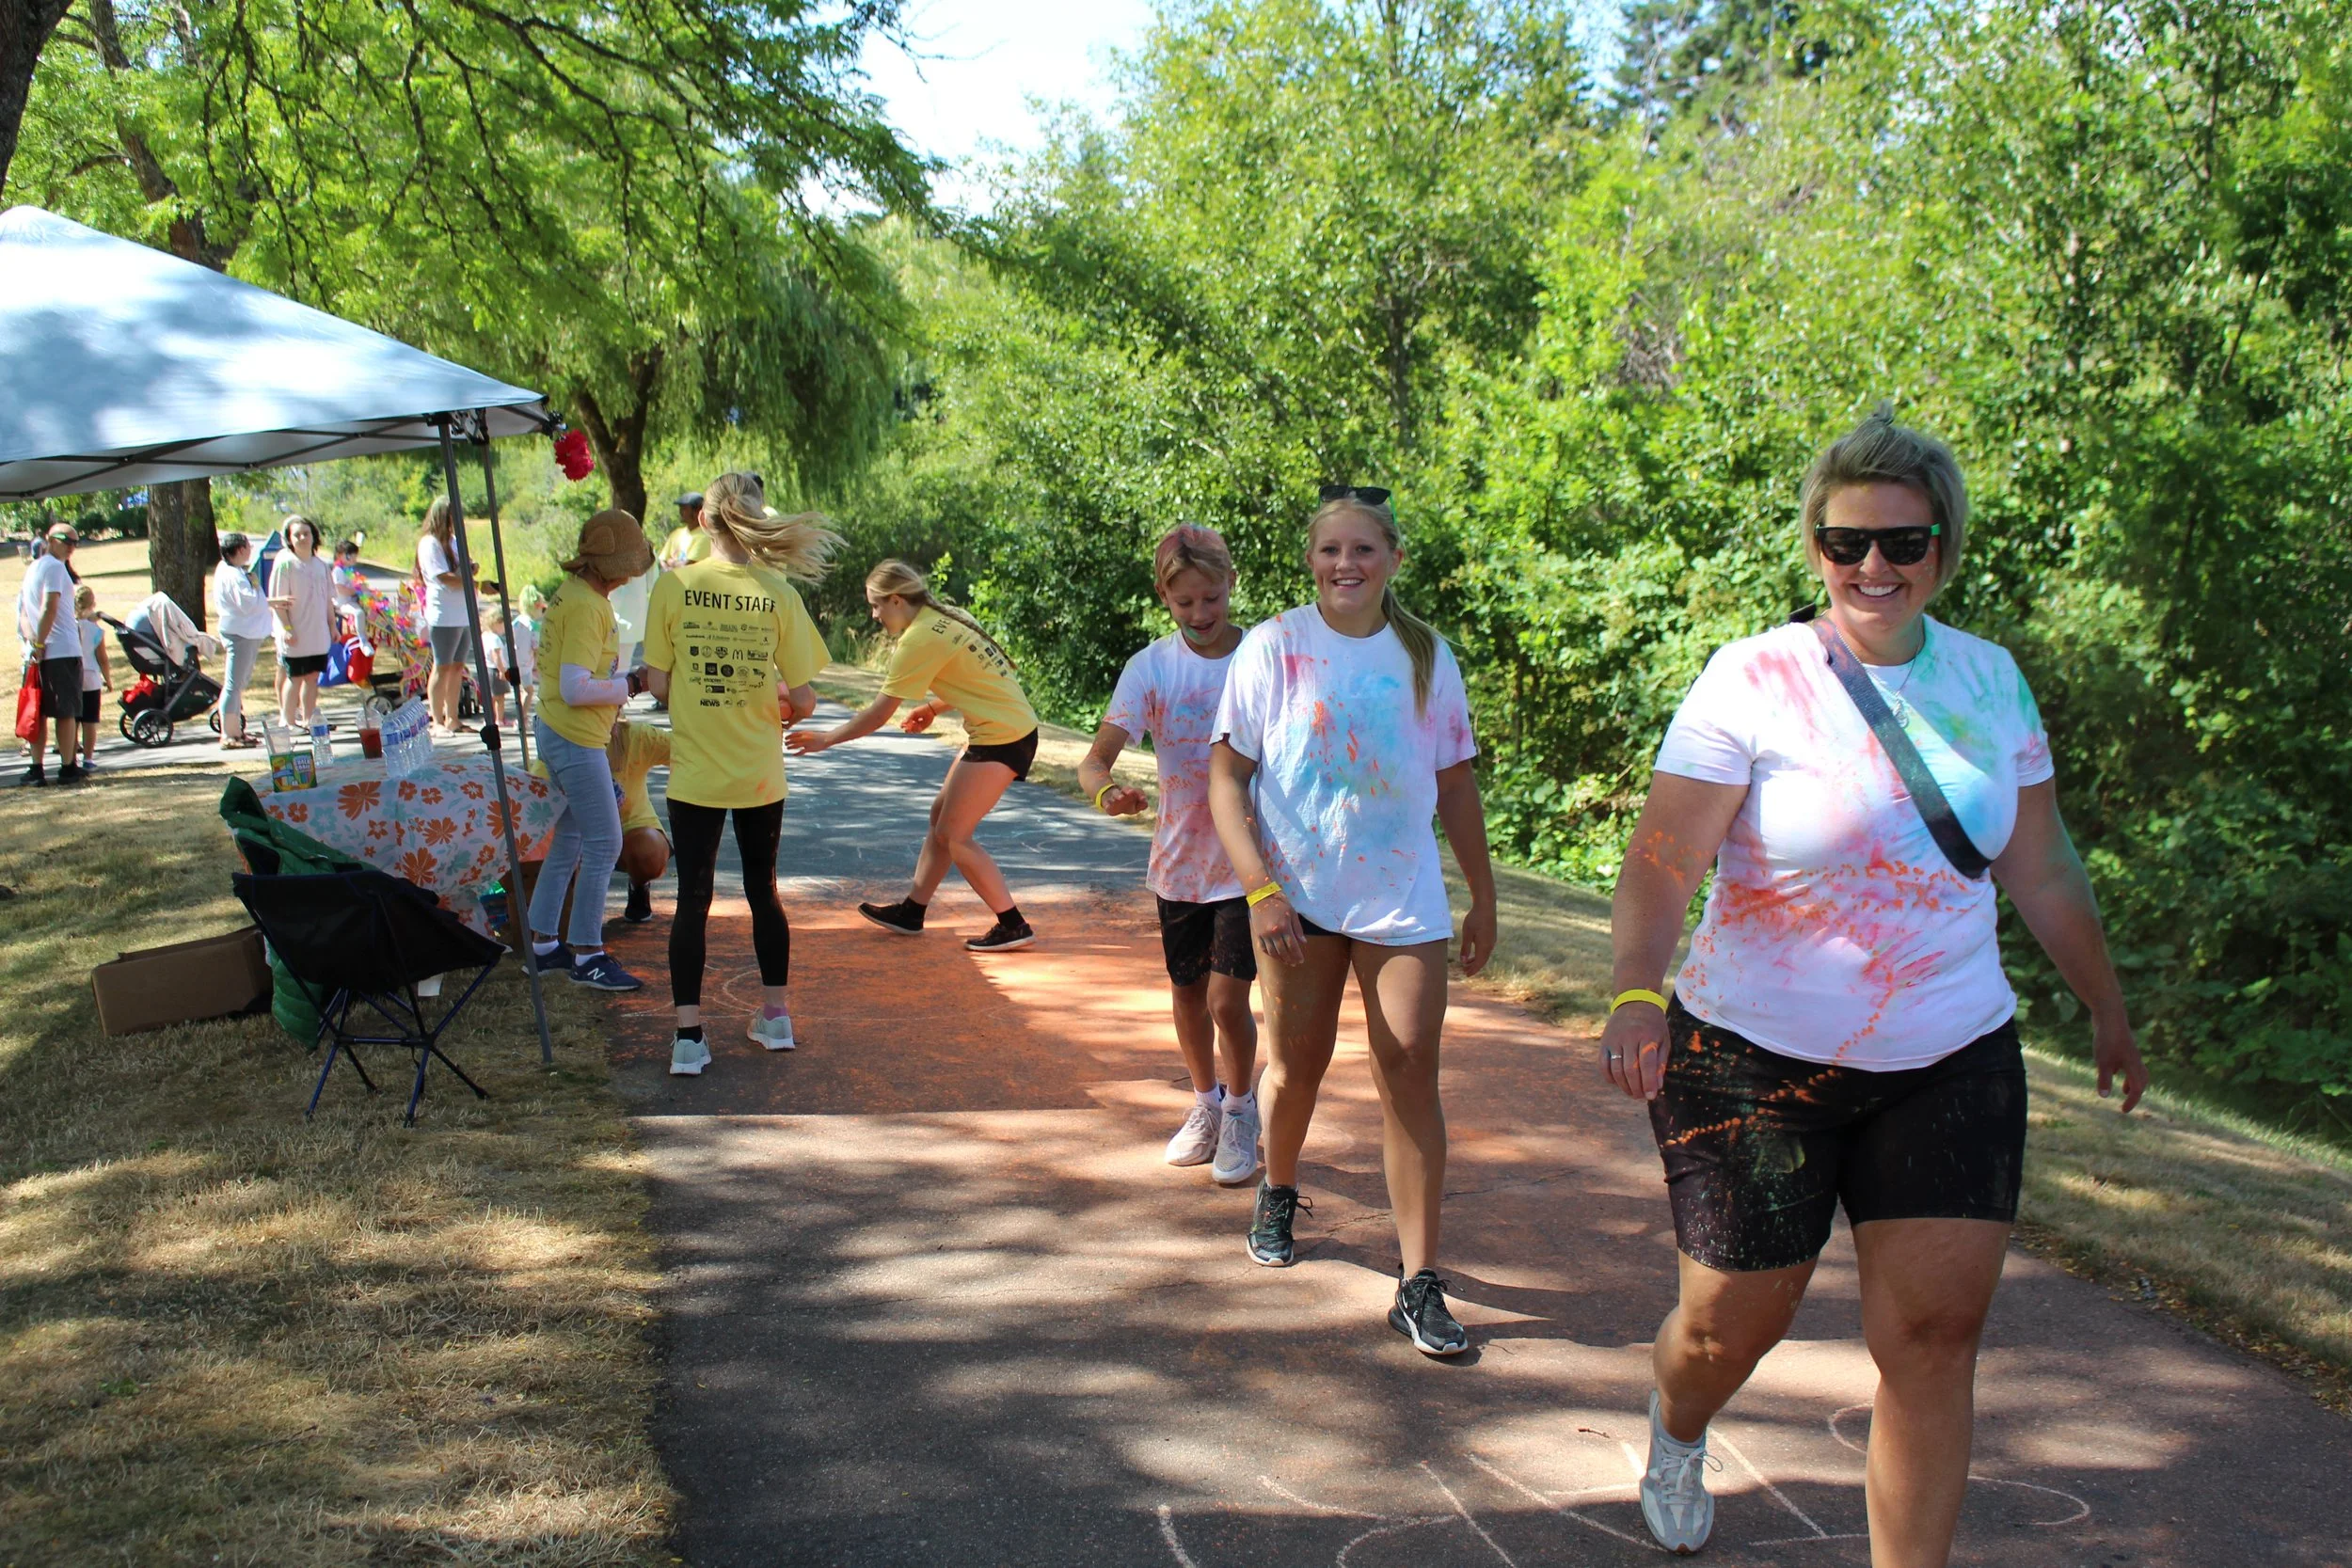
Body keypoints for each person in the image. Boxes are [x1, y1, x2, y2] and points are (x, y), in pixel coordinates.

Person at [1600, 408, 2150, 1560]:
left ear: (1944, 549)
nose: (1874, 567)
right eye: (1847, 542)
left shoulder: (1991, 683)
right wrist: (1635, 990)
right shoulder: (1750, 677)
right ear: (1814, 547)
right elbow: (1661, 859)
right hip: (1750, 1055)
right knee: (1726, 1327)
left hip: (1951, 1054)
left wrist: (2105, 1005)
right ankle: (1678, 1417)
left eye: (1903, 543)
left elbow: (2040, 864)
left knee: (1935, 1338)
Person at [1207, 485, 1497, 1358]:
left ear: (1393, 559)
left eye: (1363, 550)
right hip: (1296, 896)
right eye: (1331, 549)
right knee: (1297, 1066)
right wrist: (1260, 890)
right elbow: (1226, 780)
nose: (1346, 565)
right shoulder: (1272, 648)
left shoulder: (1426, 656)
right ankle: (1280, 1187)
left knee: (1410, 1066)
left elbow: (1455, 783)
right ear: (1311, 558)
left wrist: (1483, 892)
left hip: (1401, 896)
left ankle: (1418, 1280)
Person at [1077, 525, 1263, 1185]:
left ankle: (1243, 1110)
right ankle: (1205, 1103)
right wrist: (1107, 794)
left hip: (1250, 862)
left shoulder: (1264, 656)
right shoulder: (1150, 667)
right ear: (1163, 596)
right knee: (1186, 995)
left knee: (1225, 998)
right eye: (1185, 603)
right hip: (1178, 863)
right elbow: (1093, 760)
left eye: (1212, 598)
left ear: (1230, 584)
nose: (1202, 614)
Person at [645, 473, 832, 1075]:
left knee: (693, 900)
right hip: (758, 772)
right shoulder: (778, 592)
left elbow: (657, 684)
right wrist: (772, 696)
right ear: (756, 518)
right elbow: (804, 700)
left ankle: (688, 1040)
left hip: (695, 771)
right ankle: (775, 1019)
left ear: (704, 520)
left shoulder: (673, 587)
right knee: (763, 892)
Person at [787, 559, 1041, 954]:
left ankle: (1012, 923)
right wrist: (935, 709)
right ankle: (912, 910)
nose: (873, 615)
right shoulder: (947, 615)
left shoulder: (919, 638)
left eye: (876, 605)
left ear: (896, 599)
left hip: (1003, 737)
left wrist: (826, 739)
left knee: (954, 836)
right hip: (1006, 729)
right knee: (940, 818)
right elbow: (977, 677)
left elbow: (878, 713)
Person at [526, 511, 655, 992]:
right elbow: (577, 687)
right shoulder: (588, 607)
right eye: (626, 564)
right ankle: (587, 953)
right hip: (576, 734)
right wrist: (632, 684)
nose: (630, 574)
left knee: (573, 838)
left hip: (561, 729)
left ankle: (543, 946)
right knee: (605, 842)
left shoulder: (574, 596)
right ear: (608, 566)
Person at [17, 523, 85, 785]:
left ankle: (37, 767)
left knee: (39, 709)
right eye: (67, 541)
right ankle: (67, 766)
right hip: (61, 648)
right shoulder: (56, 568)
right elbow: (49, 607)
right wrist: (41, 643)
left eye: (75, 543)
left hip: (39, 650)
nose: (71, 547)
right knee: (65, 711)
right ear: (50, 539)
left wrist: (33, 644)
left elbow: (23, 612)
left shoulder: (33, 568)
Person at [266, 515, 335, 730]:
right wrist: (287, 629)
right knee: (294, 678)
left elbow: (328, 601)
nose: (303, 538)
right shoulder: (285, 564)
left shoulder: (321, 566)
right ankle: (288, 720)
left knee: (312, 678)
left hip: (317, 633)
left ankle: (308, 719)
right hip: (295, 633)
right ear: (289, 539)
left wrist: (332, 626)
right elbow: (277, 602)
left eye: (306, 534)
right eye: (297, 535)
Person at [417, 499, 476, 736]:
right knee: (442, 666)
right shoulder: (429, 543)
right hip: (443, 613)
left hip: (464, 611)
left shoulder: (454, 541)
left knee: (458, 666)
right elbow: (443, 576)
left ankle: (453, 718)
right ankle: (437, 721)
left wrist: (471, 570)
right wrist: (468, 577)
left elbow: (466, 568)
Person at [608, 717, 674, 926]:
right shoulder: (561, 737)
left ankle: (639, 883)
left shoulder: (635, 736)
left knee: (648, 850)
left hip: (629, 832)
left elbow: (690, 747)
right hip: (576, 835)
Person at [211, 532, 273, 751]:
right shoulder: (233, 575)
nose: (250, 550)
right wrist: (255, 587)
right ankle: (228, 734)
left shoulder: (231, 571)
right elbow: (247, 604)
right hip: (241, 634)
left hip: (245, 633)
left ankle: (236, 731)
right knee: (233, 685)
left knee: (237, 685)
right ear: (238, 550)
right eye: (247, 546)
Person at [73, 583, 109, 769]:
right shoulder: (96, 630)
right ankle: (88, 758)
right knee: (90, 721)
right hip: (92, 675)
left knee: (73, 720)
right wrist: (108, 679)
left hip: (73, 674)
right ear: (93, 603)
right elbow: (102, 658)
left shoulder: (71, 626)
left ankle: (70, 757)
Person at [662, 493, 712, 568]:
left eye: (684, 508)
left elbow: (689, 565)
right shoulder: (676, 533)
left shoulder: (705, 536)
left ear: (697, 512)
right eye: (680, 508)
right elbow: (663, 559)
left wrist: (671, 562)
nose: (680, 512)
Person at [330, 539, 364, 633]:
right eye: (350, 555)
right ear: (339, 555)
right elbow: (340, 590)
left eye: (355, 555)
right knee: (359, 613)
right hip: (341, 604)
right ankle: (362, 639)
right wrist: (356, 590)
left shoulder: (348, 570)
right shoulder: (338, 571)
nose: (354, 558)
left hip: (350, 601)